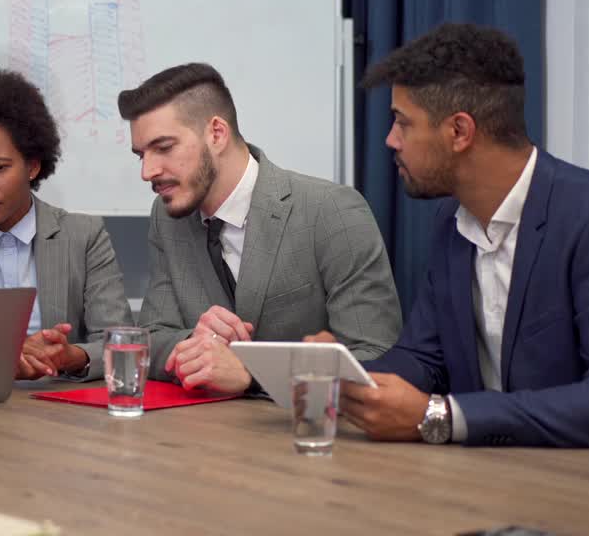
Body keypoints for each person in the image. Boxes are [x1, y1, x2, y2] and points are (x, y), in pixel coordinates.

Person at [319, 23, 589, 452]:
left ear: (459, 132)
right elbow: (425, 359)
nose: (390, 140)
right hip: (499, 473)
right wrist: (345, 375)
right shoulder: (452, 219)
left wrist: (441, 416)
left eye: (402, 122)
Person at [117, 64, 401, 395]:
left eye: (164, 148)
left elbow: (378, 357)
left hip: (310, 437)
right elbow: (152, 337)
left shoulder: (333, 211)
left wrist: (251, 373)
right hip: (198, 438)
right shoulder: (167, 217)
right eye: (141, 155)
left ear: (217, 134)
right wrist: (198, 343)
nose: (148, 171)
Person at [0, 66, 133, 380]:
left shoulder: (84, 235)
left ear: (32, 165)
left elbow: (119, 341)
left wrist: (73, 356)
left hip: (64, 408)